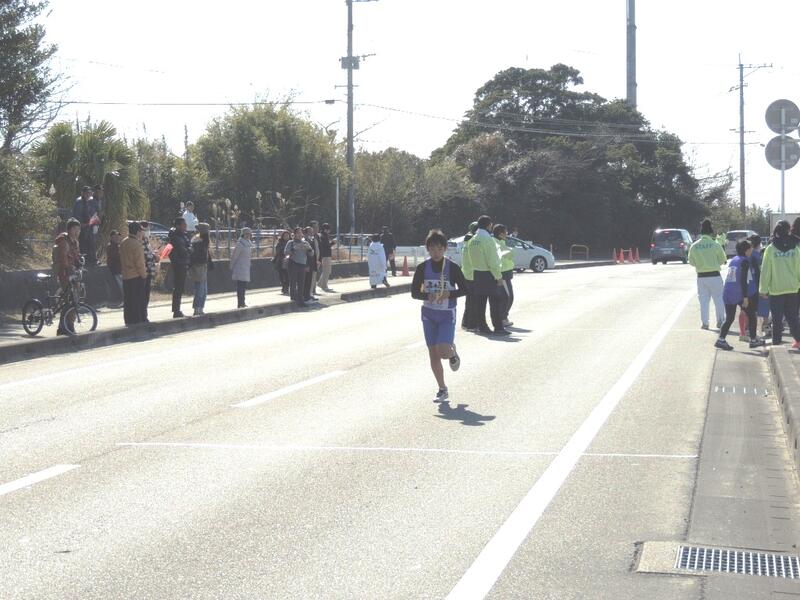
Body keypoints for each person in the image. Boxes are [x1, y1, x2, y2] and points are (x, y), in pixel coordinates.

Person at [411, 229, 468, 402]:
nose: (436, 253)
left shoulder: (452, 268)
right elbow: (414, 292)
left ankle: (452, 353)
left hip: (446, 315)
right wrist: (426, 296)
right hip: (428, 314)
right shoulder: (422, 268)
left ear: (444, 249)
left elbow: (466, 289)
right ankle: (442, 389)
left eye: (439, 249)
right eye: (432, 249)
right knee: (433, 354)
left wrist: (449, 294)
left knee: (443, 352)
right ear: (428, 249)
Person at [462, 215, 508, 336]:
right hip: (488, 274)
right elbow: (493, 261)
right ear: (489, 225)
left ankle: (482, 326)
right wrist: (498, 277)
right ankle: (498, 327)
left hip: (477, 273)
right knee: (495, 302)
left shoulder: (473, 240)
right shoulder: (488, 240)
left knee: (480, 303)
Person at [716, 240, 764, 350]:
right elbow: (743, 280)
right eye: (750, 248)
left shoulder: (734, 260)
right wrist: (745, 297)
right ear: (747, 250)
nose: (752, 250)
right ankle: (753, 340)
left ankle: (721, 339)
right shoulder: (745, 262)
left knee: (729, 318)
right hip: (737, 293)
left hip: (727, 291)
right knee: (752, 315)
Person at [759, 220, 800, 347]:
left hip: (776, 289)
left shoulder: (770, 249)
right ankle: (798, 340)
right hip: (793, 288)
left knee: (777, 319)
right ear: (788, 231)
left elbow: (766, 271)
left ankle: (776, 343)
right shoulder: (796, 248)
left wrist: (763, 289)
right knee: (793, 318)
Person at [688, 219, 727, 330]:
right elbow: (722, 260)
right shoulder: (715, 245)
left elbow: (691, 261)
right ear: (711, 231)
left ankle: (705, 323)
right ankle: (720, 321)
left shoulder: (694, 246)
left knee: (704, 301)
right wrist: (714, 263)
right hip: (715, 276)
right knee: (719, 299)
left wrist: (699, 265)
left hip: (701, 277)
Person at [120, 221, 147, 326]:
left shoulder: (123, 242)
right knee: (137, 300)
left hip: (126, 275)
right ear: (137, 232)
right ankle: (137, 321)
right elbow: (139, 263)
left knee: (128, 300)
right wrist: (144, 275)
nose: (142, 233)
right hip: (136, 275)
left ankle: (128, 320)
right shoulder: (136, 244)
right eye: (141, 231)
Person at [168, 217, 191, 318]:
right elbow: (184, 251)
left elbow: (188, 247)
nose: (185, 226)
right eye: (183, 224)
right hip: (179, 264)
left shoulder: (183, 236)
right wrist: (190, 250)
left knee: (180, 288)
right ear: (178, 226)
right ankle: (176, 310)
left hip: (183, 263)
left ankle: (177, 309)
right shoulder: (176, 237)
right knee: (178, 288)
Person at [749, 235, 771, 338]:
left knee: (752, 309)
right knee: (764, 308)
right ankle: (766, 328)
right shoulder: (760, 256)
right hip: (761, 285)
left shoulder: (748, 255)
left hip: (750, 286)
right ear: (759, 243)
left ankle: (750, 330)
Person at [285, 227, 313, 307]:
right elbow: (286, 252)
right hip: (293, 264)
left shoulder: (305, 242)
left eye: (301, 233)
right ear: (294, 234)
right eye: (298, 233)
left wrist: (309, 249)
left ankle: (301, 300)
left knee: (301, 283)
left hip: (302, 265)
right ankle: (293, 299)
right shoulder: (290, 242)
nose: (300, 234)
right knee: (293, 282)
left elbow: (311, 254)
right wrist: (294, 248)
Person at [72, 185, 99, 266]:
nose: (88, 195)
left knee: (92, 243)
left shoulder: (91, 201)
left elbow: (94, 212)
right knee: (83, 244)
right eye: (87, 193)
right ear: (82, 193)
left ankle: (93, 260)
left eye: (90, 193)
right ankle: (83, 261)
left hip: (90, 226)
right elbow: (76, 215)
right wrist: (81, 224)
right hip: (81, 227)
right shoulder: (79, 202)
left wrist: (95, 221)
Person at [494, 224, 515, 327]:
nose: (507, 234)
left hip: (506, 273)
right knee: (508, 297)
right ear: (501, 233)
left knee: (506, 297)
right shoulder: (497, 243)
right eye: (506, 233)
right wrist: (511, 251)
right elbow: (509, 254)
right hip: (503, 274)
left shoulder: (500, 242)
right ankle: (502, 318)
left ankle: (503, 317)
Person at [189, 223, 212, 316]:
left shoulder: (199, 240)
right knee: (200, 289)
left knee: (203, 290)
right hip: (199, 267)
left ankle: (200, 308)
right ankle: (197, 308)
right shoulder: (199, 241)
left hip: (202, 266)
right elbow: (197, 256)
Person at [460, 222, 479, 331]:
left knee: (469, 300)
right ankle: (472, 324)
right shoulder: (473, 241)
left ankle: (466, 323)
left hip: (466, 274)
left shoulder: (466, 241)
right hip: (473, 274)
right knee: (474, 301)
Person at [231, 227, 253, 308]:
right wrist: (231, 265)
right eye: (246, 234)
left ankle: (242, 302)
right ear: (243, 234)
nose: (248, 235)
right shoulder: (240, 244)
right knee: (240, 286)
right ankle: (240, 303)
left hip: (245, 267)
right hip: (240, 267)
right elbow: (234, 256)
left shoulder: (248, 243)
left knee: (243, 286)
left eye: (249, 234)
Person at [303, 226, 320, 302]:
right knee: (306, 281)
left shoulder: (312, 240)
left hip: (312, 262)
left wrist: (317, 260)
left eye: (312, 231)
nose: (312, 233)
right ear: (306, 232)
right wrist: (306, 264)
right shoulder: (305, 241)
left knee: (311, 280)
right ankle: (306, 296)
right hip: (307, 263)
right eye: (310, 231)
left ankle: (310, 295)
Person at [106, 229, 123, 304]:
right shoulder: (110, 246)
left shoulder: (118, 245)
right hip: (115, 270)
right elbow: (117, 256)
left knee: (123, 285)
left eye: (118, 236)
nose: (117, 238)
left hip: (120, 269)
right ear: (111, 237)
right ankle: (125, 300)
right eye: (115, 236)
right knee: (122, 285)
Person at [318, 223, 336, 292]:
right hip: (325, 255)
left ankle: (320, 283)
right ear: (325, 229)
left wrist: (331, 243)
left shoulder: (323, 235)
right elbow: (326, 246)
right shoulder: (323, 236)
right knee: (327, 271)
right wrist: (332, 243)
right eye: (328, 229)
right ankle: (324, 286)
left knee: (326, 270)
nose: (329, 231)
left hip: (325, 255)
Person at [273, 230, 291, 295]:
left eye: (287, 235)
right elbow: (278, 251)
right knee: (281, 276)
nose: (286, 237)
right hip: (281, 261)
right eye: (285, 235)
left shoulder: (291, 243)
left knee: (288, 276)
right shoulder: (280, 243)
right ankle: (284, 287)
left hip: (289, 262)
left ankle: (286, 287)